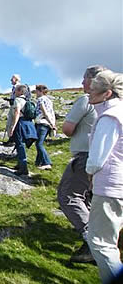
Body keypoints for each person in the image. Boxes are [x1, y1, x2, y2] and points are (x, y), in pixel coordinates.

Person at [57, 65, 107, 263]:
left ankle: (91, 241)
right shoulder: (114, 103)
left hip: (86, 156)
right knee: (92, 197)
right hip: (108, 158)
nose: (81, 83)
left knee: (68, 195)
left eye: (84, 79)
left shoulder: (86, 101)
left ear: (93, 81)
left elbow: (68, 129)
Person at [85, 71, 123, 284]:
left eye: (93, 89)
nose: (89, 92)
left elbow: (98, 159)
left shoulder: (110, 117)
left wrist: (89, 174)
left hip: (111, 187)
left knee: (100, 242)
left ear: (107, 93)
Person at [9, 84, 38, 176]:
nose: (14, 92)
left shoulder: (17, 100)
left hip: (20, 123)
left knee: (20, 144)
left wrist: (12, 126)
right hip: (28, 123)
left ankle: (23, 168)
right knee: (21, 145)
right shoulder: (27, 101)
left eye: (16, 91)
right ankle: (19, 164)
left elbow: (17, 112)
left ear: (20, 91)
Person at [34, 85, 56, 170]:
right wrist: (52, 124)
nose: (35, 92)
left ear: (40, 91)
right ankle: (38, 162)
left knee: (39, 144)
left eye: (36, 91)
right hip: (48, 124)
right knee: (40, 142)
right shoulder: (49, 101)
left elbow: (45, 112)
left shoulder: (40, 100)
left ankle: (47, 162)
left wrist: (51, 123)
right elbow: (51, 113)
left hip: (42, 122)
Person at [4, 74, 21, 146]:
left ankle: (12, 139)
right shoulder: (16, 87)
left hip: (15, 106)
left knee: (11, 122)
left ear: (16, 79)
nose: (11, 80)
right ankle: (12, 139)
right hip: (15, 105)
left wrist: (11, 100)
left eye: (12, 79)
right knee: (12, 122)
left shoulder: (17, 87)